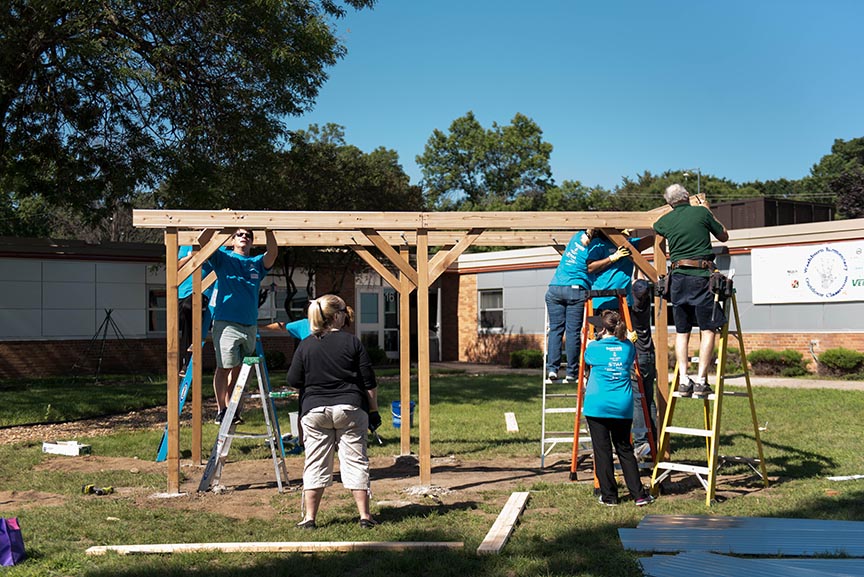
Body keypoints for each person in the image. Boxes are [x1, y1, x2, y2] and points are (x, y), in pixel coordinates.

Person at [287, 294, 381, 530]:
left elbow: (293, 379)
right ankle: (364, 516)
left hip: (314, 410)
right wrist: (373, 411)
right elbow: (369, 382)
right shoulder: (352, 343)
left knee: (315, 462)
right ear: (337, 316)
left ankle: (309, 518)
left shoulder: (306, 344)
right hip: (349, 407)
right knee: (356, 460)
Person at [653, 184, 729, 399]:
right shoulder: (702, 213)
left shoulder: (665, 220)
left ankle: (684, 380)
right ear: (687, 196)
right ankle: (702, 381)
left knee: (682, 331)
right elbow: (724, 236)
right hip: (700, 277)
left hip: (677, 279)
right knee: (708, 330)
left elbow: (656, 225)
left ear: (669, 203)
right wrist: (707, 209)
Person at [586, 230, 657, 458]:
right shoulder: (595, 245)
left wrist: (661, 226)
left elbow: (652, 239)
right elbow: (587, 267)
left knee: (631, 382)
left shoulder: (628, 243)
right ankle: (610, 436)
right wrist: (612, 258)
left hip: (618, 304)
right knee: (601, 368)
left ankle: (642, 441)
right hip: (598, 303)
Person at [204, 228, 278, 423]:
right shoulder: (223, 258)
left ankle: (232, 408)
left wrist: (268, 229)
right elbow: (203, 240)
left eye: (248, 235)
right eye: (240, 234)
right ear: (232, 240)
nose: (244, 237)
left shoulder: (255, 264)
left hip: (249, 325)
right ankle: (221, 410)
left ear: (253, 242)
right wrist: (218, 224)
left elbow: (272, 253)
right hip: (226, 323)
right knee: (225, 366)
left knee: (241, 370)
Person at [582, 310, 654, 507]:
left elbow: (588, 359)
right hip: (622, 405)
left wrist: (588, 341)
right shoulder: (628, 347)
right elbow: (627, 356)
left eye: (598, 326)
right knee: (625, 449)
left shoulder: (593, 348)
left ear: (603, 329)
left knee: (602, 451)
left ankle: (609, 496)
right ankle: (638, 494)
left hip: (597, 406)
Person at [545, 229, 593, 383]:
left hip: (555, 288)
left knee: (555, 330)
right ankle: (571, 372)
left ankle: (552, 369)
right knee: (572, 332)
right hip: (575, 289)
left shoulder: (576, 237)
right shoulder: (595, 247)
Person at [177, 245, 215, 375]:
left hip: (203, 291)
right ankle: (184, 363)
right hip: (182, 292)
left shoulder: (215, 242)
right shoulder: (186, 244)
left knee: (190, 308)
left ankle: (187, 363)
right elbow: (176, 266)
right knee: (185, 327)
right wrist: (191, 256)